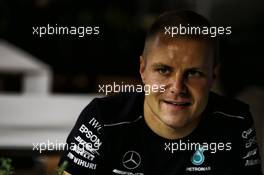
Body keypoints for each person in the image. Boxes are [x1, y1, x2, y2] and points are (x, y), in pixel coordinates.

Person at [59, 10, 263, 175]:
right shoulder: (101, 120)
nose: (177, 87)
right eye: (164, 70)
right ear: (142, 70)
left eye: (193, 73)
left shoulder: (236, 122)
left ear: (213, 75)